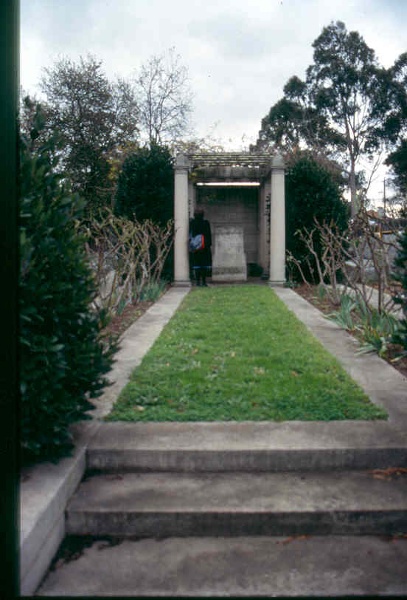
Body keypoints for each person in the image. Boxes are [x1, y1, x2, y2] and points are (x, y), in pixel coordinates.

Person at [189, 208, 212, 286]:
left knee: (197, 265)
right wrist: (208, 245)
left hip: (196, 247)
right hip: (204, 247)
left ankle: (198, 282)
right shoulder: (206, 223)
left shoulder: (192, 223)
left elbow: (190, 234)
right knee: (204, 265)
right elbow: (209, 235)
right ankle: (204, 282)